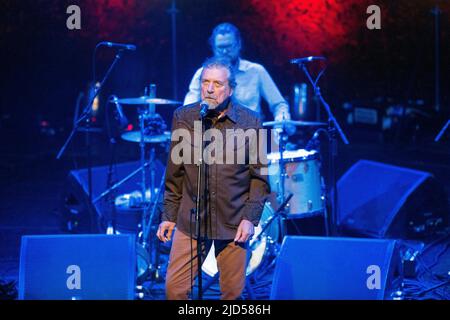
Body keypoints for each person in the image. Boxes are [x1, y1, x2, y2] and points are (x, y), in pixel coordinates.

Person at [157, 57, 270, 300]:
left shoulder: (250, 121)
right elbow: (175, 173)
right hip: (191, 218)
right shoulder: (184, 117)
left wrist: (250, 219)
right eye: (205, 82)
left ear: (231, 89)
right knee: (174, 290)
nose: (210, 88)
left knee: (232, 293)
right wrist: (168, 216)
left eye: (217, 84)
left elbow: (259, 178)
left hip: (232, 220)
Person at [184, 22, 294, 132]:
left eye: (229, 46)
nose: (225, 51)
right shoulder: (202, 74)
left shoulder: (256, 71)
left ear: (239, 44)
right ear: (213, 48)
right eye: (220, 47)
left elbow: (279, 104)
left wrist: (280, 124)